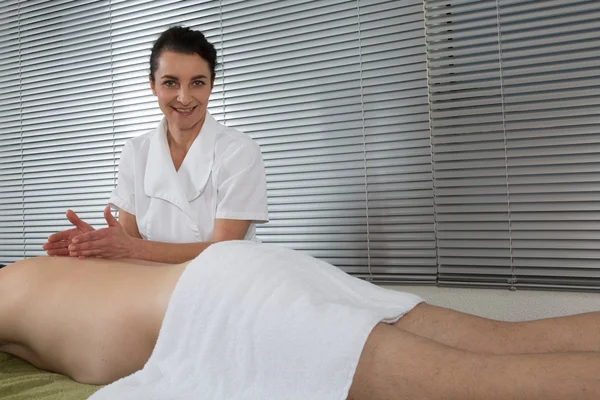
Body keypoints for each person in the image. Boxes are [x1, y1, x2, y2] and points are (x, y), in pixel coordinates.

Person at [1, 244, 599, 400]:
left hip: (220, 311)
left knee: (482, 386)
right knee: (506, 342)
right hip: (244, 273)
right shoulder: (31, 271)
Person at [42, 26, 268, 263]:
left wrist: (132, 249)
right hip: (153, 284)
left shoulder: (239, 151)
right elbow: (128, 243)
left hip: (226, 283)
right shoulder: (136, 152)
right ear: (153, 85)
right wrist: (97, 245)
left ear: (211, 84)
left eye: (197, 83)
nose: (184, 98)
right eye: (170, 83)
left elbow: (224, 251)